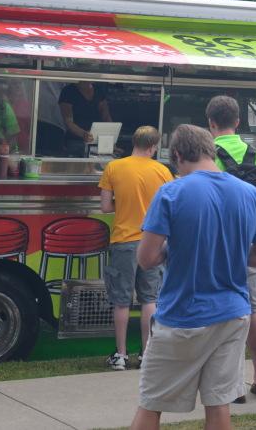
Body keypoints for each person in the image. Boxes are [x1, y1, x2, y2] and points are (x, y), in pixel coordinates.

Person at [131, 125, 256, 430]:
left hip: (182, 315)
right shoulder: (252, 194)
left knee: (151, 403)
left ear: (179, 155)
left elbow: (146, 259)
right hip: (233, 315)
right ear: (211, 151)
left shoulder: (172, 192)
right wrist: (233, 254)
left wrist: (174, 251)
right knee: (218, 402)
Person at [205, 95, 256, 403]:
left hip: (218, 248)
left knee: (222, 313)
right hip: (251, 247)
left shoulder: (208, 156)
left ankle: (233, 384)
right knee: (254, 311)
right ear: (238, 122)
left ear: (211, 123)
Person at [98, 125, 173, 371]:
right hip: (153, 241)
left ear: (134, 142)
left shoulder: (114, 167)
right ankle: (146, 354)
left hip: (123, 241)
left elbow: (106, 207)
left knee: (121, 301)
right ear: (153, 147)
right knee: (149, 299)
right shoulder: (162, 171)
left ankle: (120, 355)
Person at [59, 81, 111, 156]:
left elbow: (106, 116)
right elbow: (68, 121)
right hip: (75, 141)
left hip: (98, 141)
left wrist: (111, 139)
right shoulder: (68, 91)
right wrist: (84, 134)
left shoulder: (98, 90)